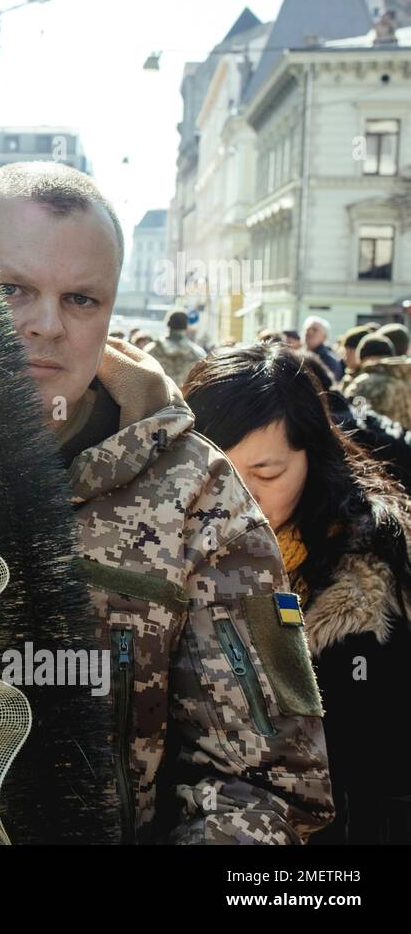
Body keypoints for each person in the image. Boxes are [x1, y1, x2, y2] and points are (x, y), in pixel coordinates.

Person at [0, 160, 332, 843]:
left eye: (81, 300)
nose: (45, 324)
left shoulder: (195, 490)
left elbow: (270, 778)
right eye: (10, 289)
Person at [185, 343, 411, 843]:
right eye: (216, 475)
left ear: (314, 456)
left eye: (267, 473)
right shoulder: (155, 552)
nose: (240, 498)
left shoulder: (381, 570)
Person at [299, 351, 411, 495]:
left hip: (381, 468)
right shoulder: (406, 378)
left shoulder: (362, 383)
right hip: (399, 448)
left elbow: (360, 419)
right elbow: (363, 419)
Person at [344, 333, 411, 428]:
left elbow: (358, 420)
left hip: (380, 440)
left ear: (364, 357)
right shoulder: (407, 377)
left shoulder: (363, 384)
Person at [143, 308, 206, 387]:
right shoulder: (198, 354)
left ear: (168, 324)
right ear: (186, 326)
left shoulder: (151, 350)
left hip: (157, 396)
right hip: (186, 397)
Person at [304, 315, 345, 384]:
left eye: (315, 330)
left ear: (324, 337)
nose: (309, 332)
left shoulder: (329, 360)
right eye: (307, 329)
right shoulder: (298, 355)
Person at [338, 325, 376, 392]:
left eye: (350, 352)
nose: (345, 358)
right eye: (345, 352)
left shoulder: (370, 380)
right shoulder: (348, 378)